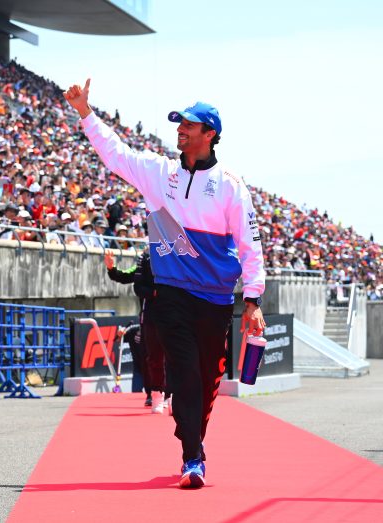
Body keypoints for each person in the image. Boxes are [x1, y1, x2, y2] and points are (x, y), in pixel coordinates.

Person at [65, 80, 266, 489]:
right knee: (184, 375)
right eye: (179, 123)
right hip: (170, 294)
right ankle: (192, 456)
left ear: (210, 134)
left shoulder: (230, 184)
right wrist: (86, 113)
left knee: (206, 380)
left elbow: (250, 243)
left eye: (189, 125)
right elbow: (116, 154)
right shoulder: (160, 173)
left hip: (213, 299)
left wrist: (252, 299)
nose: (180, 129)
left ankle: (194, 442)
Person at [105, 249, 167, 413]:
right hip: (149, 317)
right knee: (151, 357)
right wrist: (112, 269)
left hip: (173, 315)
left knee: (172, 356)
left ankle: (170, 394)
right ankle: (153, 393)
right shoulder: (145, 257)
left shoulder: (177, 252)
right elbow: (127, 276)